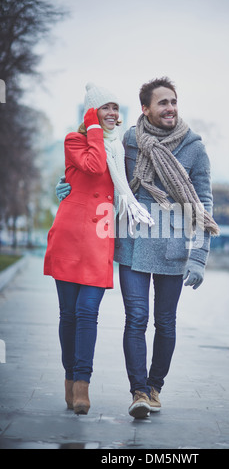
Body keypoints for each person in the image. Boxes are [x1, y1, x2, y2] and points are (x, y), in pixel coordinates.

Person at [57, 77, 219, 419]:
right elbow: (103, 167)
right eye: (163, 103)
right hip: (132, 243)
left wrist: (199, 257)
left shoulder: (194, 148)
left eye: (173, 102)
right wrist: (67, 183)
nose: (170, 108)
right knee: (136, 319)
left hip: (173, 247)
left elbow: (204, 202)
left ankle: (155, 386)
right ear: (145, 109)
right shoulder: (129, 139)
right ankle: (139, 391)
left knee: (166, 322)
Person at [45, 82, 152, 415]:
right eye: (104, 107)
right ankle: (69, 377)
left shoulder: (119, 150)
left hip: (99, 241)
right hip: (69, 237)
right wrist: (91, 124)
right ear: (91, 111)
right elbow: (92, 165)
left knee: (86, 313)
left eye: (115, 108)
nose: (112, 113)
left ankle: (82, 386)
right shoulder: (75, 139)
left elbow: (120, 182)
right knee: (68, 316)